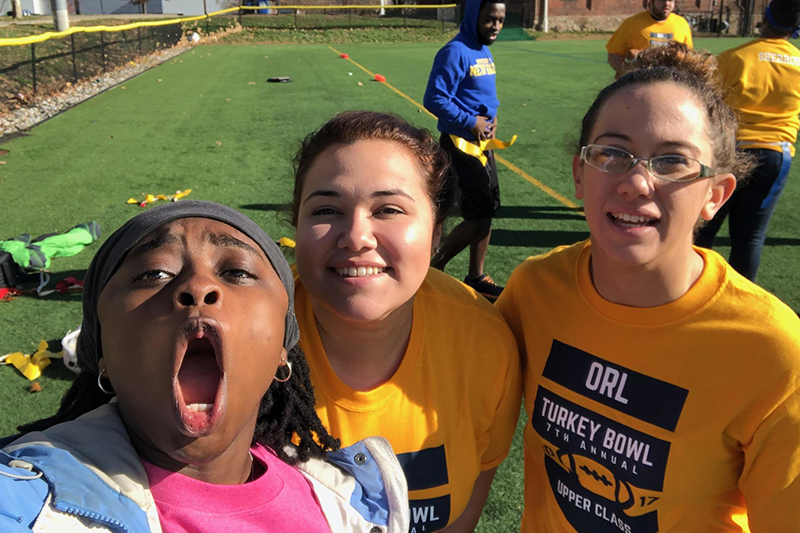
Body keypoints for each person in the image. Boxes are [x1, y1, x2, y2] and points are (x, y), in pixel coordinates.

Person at [497, 45, 800, 533]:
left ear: (714, 196)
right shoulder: (535, 288)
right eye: (612, 153)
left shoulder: (775, 354)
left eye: (673, 161)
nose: (637, 181)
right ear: (579, 173)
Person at [0, 201, 409, 533]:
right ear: (101, 351)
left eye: (237, 272)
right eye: (153, 273)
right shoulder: (24, 506)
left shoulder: (356, 502)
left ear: (281, 352)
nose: (198, 286)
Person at [290, 111, 522, 533]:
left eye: (390, 209)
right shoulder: (241, 335)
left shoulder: (484, 344)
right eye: (327, 208)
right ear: (297, 225)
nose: (357, 236)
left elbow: (465, 507)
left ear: (436, 234)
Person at [695, 0, 800, 281]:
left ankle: (690, 288)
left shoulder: (734, 57)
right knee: (750, 236)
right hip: (775, 155)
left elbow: (707, 102)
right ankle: (739, 303)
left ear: (765, 16)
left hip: (731, 150)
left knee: (703, 224)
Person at [423, 0, 508, 300]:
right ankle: (434, 266)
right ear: (474, 16)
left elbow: (483, 96)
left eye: (500, 20)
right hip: (461, 146)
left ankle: (476, 276)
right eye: (489, 20)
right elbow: (434, 98)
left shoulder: (484, 49)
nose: (496, 27)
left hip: (482, 145)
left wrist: (491, 119)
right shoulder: (455, 51)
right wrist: (470, 121)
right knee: (478, 215)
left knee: (488, 210)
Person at [606, 0, 693, 78]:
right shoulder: (632, 23)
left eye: (670, 0)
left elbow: (688, 55)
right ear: (651, 1)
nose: (667, 4)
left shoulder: (682, 24)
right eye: (661, 0)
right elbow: (613, 55)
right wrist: (625, 72)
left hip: (672, 83)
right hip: (641, 83)